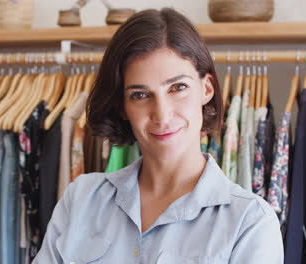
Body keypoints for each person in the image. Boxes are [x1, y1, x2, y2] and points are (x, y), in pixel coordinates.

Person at [33, 8, 283, 263]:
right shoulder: (81, 200)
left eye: (178, 88)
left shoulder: (250, 223)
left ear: (206, 88)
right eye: (140, 95)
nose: (162, 115)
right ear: (122, 107)